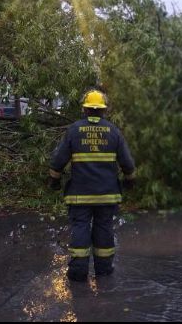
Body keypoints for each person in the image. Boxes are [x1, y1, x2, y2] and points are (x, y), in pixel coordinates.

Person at [48, 89, 136, 282]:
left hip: (80, 195)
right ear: (103, 111)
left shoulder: (74, 130)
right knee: (104, 228)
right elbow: (127, 163)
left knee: (80, 227)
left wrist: (54, 180)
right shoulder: (114, 131)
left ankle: (78, 271)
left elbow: (58, 161)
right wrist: (130, 180)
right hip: (107, 194)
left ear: (85, 110)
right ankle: (103, 270)